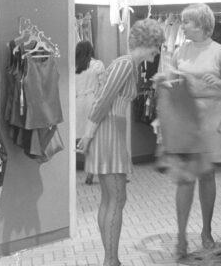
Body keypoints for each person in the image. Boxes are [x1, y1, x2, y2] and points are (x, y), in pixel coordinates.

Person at [77, 18, 165, 266]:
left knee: (110, 198)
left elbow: (104, 99)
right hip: (107, 132)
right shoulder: (126, 64)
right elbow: (103, 100)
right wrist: (88, 133)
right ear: (147, 43)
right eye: (156, 45)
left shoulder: (127, 65)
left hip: (109, 131)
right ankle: (111, 260)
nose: (157, 51)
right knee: (116, 197)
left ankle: (111, 259)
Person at [155, 3, 221, 259]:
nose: (183, 26)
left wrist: (220, 84)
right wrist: (165, 83)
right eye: (181, 21)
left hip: (212, 117)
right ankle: (181, 236)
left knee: (207, 176)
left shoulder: (220, 52)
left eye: (187, 22)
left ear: (202, 24)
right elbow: (170, 83)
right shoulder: (180, 52)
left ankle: (207, 231)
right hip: (185, 119)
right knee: (185, 178)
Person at [75, 40, 105, 185]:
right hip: (92, 102)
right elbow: (103, 85)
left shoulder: (73, 66)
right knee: (93, 138)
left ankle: (74, 169)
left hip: (76, 103)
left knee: (78, 138)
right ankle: (91, 172)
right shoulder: (97, 65)